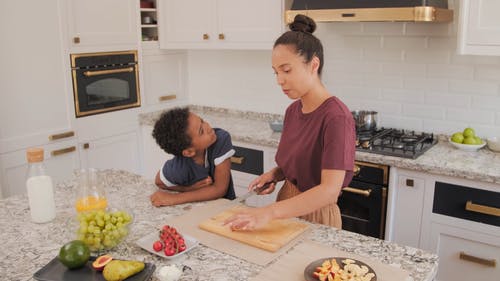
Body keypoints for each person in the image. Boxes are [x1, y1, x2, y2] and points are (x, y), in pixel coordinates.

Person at [224, 14, 355, 230]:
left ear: (313, 64)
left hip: (317, 215)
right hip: (287, 204)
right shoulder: (293, 110)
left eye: (286, 70)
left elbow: (329, 190)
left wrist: (268, 212)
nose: (279, 80)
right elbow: (297, 162)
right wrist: (275, 175)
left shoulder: (336, 117)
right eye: (276, 72)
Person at [150, 107, 236, 207]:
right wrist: (188, 188)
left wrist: (175, 198)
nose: (208, 126)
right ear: (189, 152)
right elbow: (159, 182)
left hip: (226, 208)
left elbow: (220, 189)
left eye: (202, 121)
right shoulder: (179, 167)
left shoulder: (221, 139)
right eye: (201, 131)